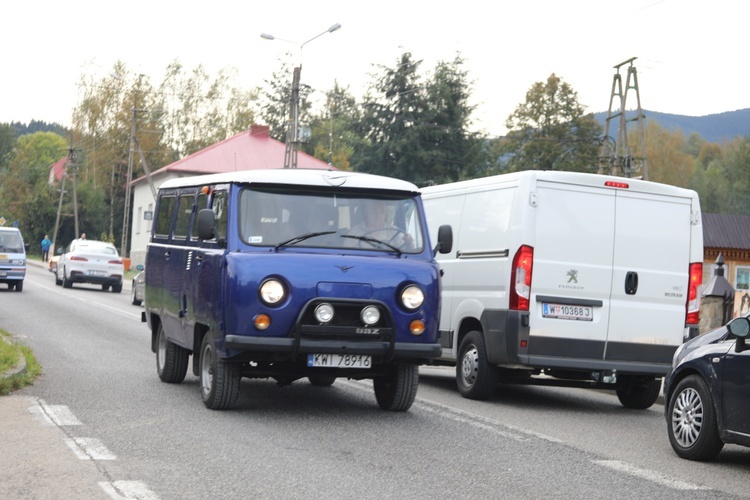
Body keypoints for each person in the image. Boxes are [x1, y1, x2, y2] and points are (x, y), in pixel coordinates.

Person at [346, 199, 412, 249]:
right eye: (374, 211)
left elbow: (406, 252)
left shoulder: (394, 231)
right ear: (366, 212)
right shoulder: (354, 233)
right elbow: (346, 257)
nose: (378, 215)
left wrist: (409, 242)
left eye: (381, 210)